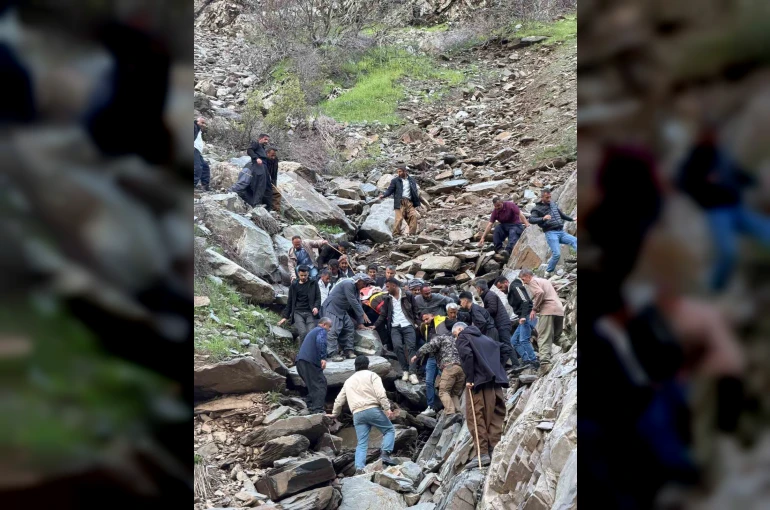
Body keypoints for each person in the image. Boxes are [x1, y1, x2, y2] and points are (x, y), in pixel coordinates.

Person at [677, 126, 770, 291]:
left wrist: (754, 180)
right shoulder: (695, 159)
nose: (714, 138)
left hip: (737, 207)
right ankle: (715, 287)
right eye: (710, 135)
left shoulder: (722, 155)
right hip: (717, 211)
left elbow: (737, 174)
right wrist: (704, 186)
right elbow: (683, 182)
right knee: (728, 252)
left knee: (766, 230)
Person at [328, 356, 397, 474]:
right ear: (368, 365)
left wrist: (334, 414)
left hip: (357, 414)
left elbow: (339, 400)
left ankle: (359, 468)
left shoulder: (348, 381)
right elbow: (381, 394)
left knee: (362, 442)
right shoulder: (372, 375)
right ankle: (385, 454)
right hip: (372, 409)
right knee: (389, 430)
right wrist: (387, 409)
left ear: (355, 366)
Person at [454, 322, 508, 466]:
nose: (456, 339)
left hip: (478, 383)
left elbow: (466, 355)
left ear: (460, 329)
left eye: (455, 335)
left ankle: (482, 453)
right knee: (496, 415)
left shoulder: (463, 337)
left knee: (476, 416)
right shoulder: (486, 338)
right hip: (495, 383)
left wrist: (470, 378)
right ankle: (495, 448)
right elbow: (505, 348)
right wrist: (496, 369)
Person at [412, 320, 465, 416]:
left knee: (443, 392)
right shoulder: (457, 341)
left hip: (449, 367)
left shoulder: (441, 338)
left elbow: (430, 345)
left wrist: (417, 355)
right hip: (461, 370)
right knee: (454, 394)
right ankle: (459, 414)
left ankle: (451, 413)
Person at [373, 278, 419, 384]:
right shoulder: (387, 298)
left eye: (388, 287)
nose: (386, 289)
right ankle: (405, 370)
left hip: (408, 324)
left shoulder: (407, 295)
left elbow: (416, 310)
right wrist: (374, 326)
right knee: (397, 347)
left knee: (411, 347)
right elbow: (383, 314)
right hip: (394, 326)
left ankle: (412, 373)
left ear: (394, 285)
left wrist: (417, 323)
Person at [519, 268, 564, 375]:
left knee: (543, 336)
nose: (523, 281)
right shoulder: (544, 281)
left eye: (523, 278)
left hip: (547, 310)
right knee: (557, 335)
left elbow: (539, 292)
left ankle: (545, 363)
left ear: (528, 276)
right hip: (559, 309)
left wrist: (534, 309)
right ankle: (567, 345)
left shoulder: (532, 282)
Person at [322, 274, 373, 361]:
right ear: (359, 281)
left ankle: (348, 350)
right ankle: (332, 354)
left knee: (349, 327)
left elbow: (358, 302)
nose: (364, 286)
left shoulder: (356, 288)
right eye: (364, 283)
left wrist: (360, 323)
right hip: (332, 308)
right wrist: (362, 313)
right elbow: (352, 301)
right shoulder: (348, 283)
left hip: (342, 310)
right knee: (333, 330)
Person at [529, 189, 577, 275]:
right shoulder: (536, 209)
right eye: (547, 197)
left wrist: (572, 219)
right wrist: (543, 218)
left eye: (550, 197)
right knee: (557, 254)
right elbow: (531, 220)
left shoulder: (553, 204)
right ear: (542, 197)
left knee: (575, 240)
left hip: (561, 232)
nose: (549, 199)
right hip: (551, 233)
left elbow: (560, 214)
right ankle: (548, 271)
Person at [474, 280, 517, 369]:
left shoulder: (490, 295)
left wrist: (482, 311)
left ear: (479, 288)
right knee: (503, 344)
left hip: (502, 323)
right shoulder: (488, 295)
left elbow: (493, 309)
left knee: (506, 343)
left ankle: (515, 363)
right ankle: (505, 365)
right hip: (500, 324)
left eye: (476, 289)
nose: (476, 291)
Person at [295, 318, 332, 414]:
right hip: (309, 362)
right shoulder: (321, 330)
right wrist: (323, 357)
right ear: (324, 325)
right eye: (329, 326)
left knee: (312, 385)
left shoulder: (312, 332)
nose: (330, 329)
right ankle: (318, 410)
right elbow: (321, 342)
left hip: (300, 362)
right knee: (321, 384)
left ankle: (310, 405)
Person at [278, 265, 321, 345]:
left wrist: (316, 307)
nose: (303, 277)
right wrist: (285, 317)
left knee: (311, 333)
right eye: (301, 275)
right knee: (303, 332)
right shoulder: (294, 285)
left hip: (310, 312)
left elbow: (318, 298)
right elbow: (290, 301)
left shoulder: (313, 283)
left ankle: (309, 354)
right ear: (298, 274)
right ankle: (302, 355)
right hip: (298, 312)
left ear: (308, 274)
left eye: (305, 275)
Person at [506, 274, 539, 373]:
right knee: (514, 340)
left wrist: (523, 315)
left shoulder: (515, 286)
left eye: (500, 286)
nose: (500, 289)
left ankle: (534, 361)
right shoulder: (514, 288)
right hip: (524, 317)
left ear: (505, 282)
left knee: (524, 340)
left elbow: (525, 301)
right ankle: (526, 360)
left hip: (528, 316)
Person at [378, 166, 421, 236]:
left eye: (400, 171)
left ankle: (412, 234)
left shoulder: (412, 180)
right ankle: (395, 235)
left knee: (414, 216)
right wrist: (384, 195)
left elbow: (415, 192)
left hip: (409, 202)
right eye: (398, 172)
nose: (398, 173)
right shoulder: (395, 181)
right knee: (399, 218)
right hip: (399, 202)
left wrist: (417, 203)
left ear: (405, 171)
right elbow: (390, 190)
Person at [194, 117, 210, 191]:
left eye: (204, 123)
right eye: (202, 123)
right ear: (197, 122)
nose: (204, 125)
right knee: (198, 167)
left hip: (197, 151)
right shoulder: (194, 126)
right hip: (194, 149)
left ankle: (205, 186)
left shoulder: (198, 129)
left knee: (205, 166)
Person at [265, 147, 281, 213]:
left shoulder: (275, 160)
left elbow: (274, 174)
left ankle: (276, 211)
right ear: (267, 153)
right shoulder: (263, 160)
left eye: (274, 155)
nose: (273, 157)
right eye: (272, 155)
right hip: (262, 180)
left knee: (277, 193)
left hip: (270, 181)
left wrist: (274, 185)